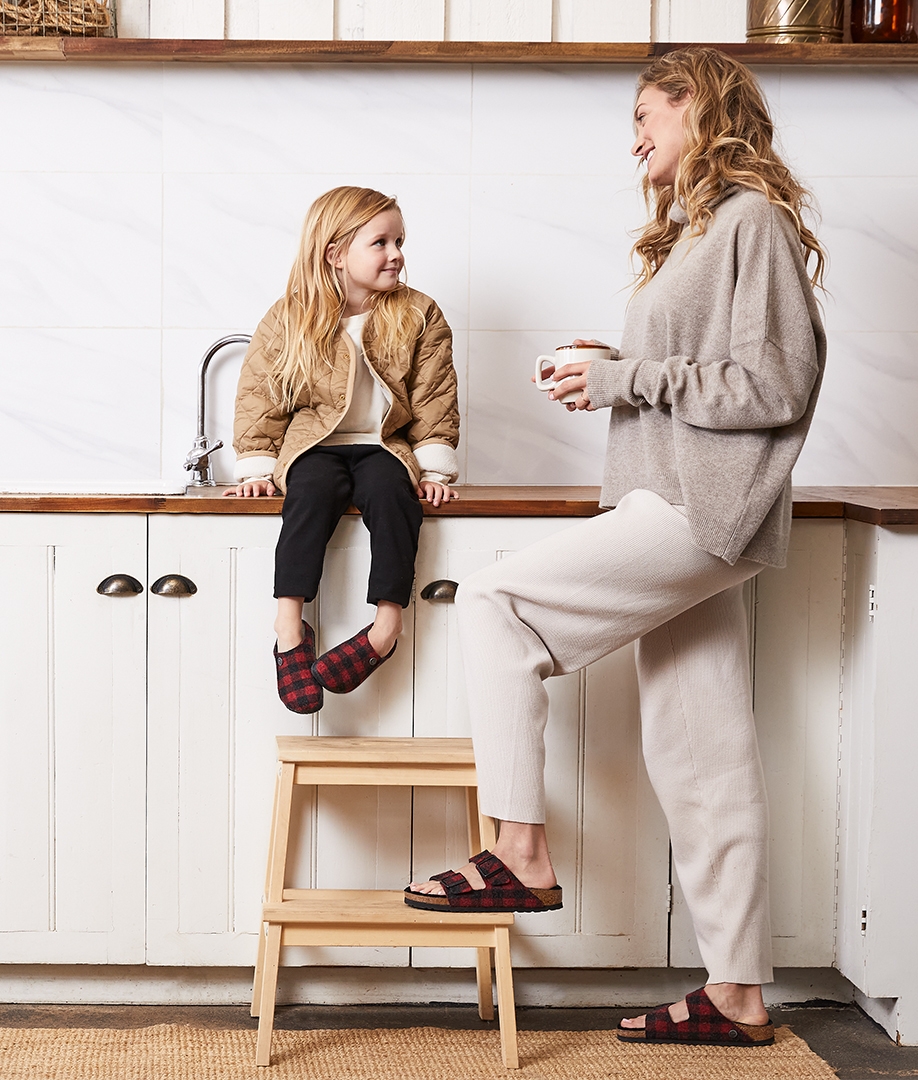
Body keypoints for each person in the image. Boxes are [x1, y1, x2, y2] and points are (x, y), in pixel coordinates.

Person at [405, 48, 826, 1048]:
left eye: (647, 112)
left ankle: (519, 848)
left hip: (696, 510)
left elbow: (776, 388)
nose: (633, 134)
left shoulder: (750, 224)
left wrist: (625, 379)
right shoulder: (699, 232)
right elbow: (703, 371)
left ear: (700, 108)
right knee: (702, 756)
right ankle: (737, 995)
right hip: (680, 500)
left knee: (495, 602)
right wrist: (616, 367)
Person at [225, 186, 459, 715]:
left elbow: (435, 394)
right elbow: (261, 392)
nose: (396, 253)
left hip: (384, 444)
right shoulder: (291, 316)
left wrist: (435, 466)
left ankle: (385, 627)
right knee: (310, 491)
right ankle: (289, 624)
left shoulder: (418, 313)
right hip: (315, 443)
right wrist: (258, 462)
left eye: (400, 240)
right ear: (335, 252)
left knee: (391, 492)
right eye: (381, 242)